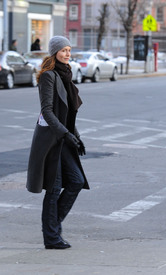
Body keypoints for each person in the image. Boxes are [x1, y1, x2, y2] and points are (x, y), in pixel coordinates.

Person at [26, 36, 89, 249]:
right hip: (52, 141)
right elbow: (48, 111)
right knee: (53, 188)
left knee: (76, 181)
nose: (67, 54)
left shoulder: (66, 76)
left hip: (64, 138)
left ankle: (53, 227)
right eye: (63, 50)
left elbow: (68, 114)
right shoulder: (48, 76)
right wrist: (65, 135)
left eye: (69, 50)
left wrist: (76, 137)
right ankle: (51, 236)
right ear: (54, 53)